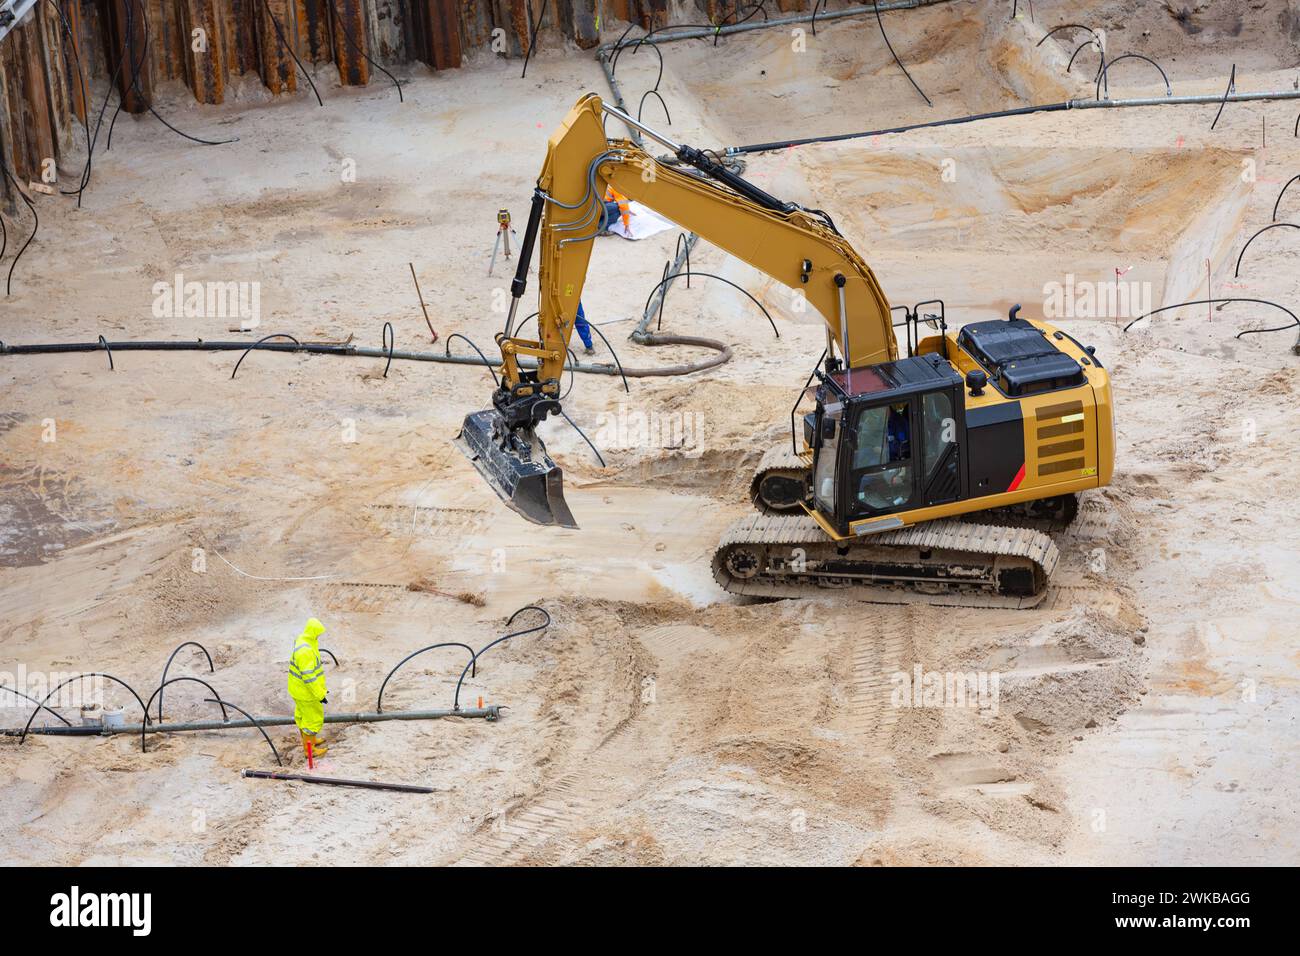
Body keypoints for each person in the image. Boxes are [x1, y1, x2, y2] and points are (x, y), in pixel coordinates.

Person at [287, 618, 329, 757]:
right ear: (313, 632)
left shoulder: (304, 641)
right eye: (318, 633)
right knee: (312, 720)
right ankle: (309, 751)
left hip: (297, 689)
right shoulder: (305, 651)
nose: (319, 636)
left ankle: (309, 742)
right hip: (306, 693)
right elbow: (309, 677)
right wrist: (320, 695)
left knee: (302, 717)